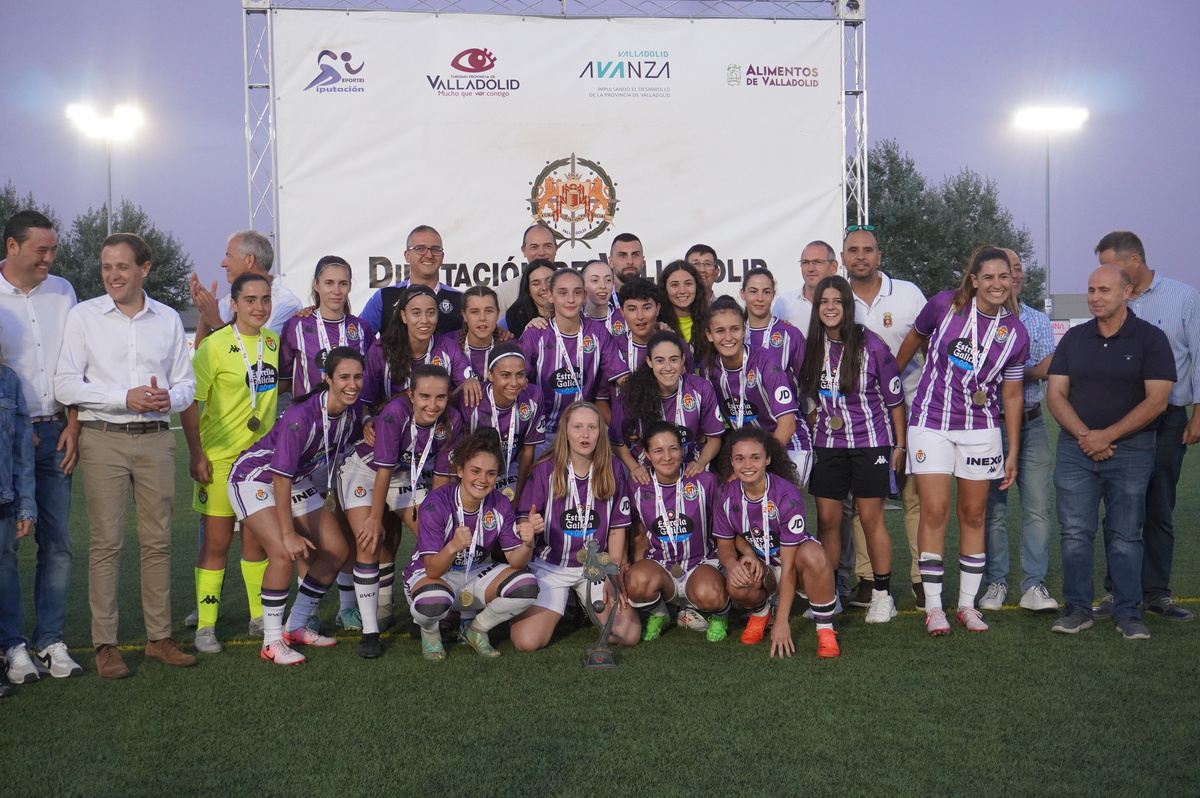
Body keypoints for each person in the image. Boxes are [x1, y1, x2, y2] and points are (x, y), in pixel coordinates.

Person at [55, 233, 197, 678]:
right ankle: (106, 646)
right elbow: (65, 385)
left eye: (121, 266)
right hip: (102, 438)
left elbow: (186, 386)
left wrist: (165, 400)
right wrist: (124, 397)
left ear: (144, 269)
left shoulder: (169, 318)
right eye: (106, 267)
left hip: (155, 438)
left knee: (158, 542)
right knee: (106, 544)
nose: (112, 275)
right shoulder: (83, 317)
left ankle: (159, 638)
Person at [896, 246, 1029, 635]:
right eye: (987, 277)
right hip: (930, 421)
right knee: (934, 510)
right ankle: (934, 607)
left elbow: (1013, 394)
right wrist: (885, 392)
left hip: (980, 427)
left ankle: (967, 606)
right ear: (974, 280)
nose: (996, 284)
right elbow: (907, 349)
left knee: (973, 515)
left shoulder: (1016, 333)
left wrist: (1014, 448)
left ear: (1012, 280)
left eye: (1003, 277)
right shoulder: (944, 305)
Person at [1047, 265, 1175, 639]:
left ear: (1127, 293)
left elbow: (1158, 400)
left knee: (1125, 535)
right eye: (1090, 290)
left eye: (1103, 290)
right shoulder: (1073, 338)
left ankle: (1127, 613)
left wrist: (1107, 436)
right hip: (1075, 449)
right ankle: (1077, 609)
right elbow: (1056, 394)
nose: (1095, 297)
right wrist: (1087, 435)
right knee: (1074, 532)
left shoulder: (1151, 339)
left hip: (1133, 450)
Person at [227, 346, 364, 665]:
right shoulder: (300, 416)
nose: (352, 384)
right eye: (344, 377)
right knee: (281, 552)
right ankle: (271, 642)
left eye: (358, 377)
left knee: (337, 550)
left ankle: (296, 625)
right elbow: (280, 477)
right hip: (255, 478)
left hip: (295, 479)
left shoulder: (350, 414)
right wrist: (288, 534)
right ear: (328, 379)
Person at [1093, 231, 1198, 622]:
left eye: (1112, 265)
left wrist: (1198, 413)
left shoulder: (1183, 297)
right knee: (1119, 509)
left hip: (1168, 419)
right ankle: (1116, 591)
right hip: (1120, 422)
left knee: (1158, 508)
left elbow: (1199, 357)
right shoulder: (1110, 299)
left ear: (1133, 261)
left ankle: (1156, 593)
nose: (1105, 276)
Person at [0, 210, 82, 682]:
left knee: (58, 544)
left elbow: (77, 361)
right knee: (6, 548)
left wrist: (74, 422)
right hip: (7, 440)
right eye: (40, 250)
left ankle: (50, 640)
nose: (49, 259)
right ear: (12, 247)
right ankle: (13, 646)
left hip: (57, 434)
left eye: (52, 250)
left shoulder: (63, 291)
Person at [180, 272, 279, 654]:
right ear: (234, 305)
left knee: (256, 540)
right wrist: (197, 453)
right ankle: (206, 626)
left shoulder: (273, 342)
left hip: (259, 464)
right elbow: (190, 400)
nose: (259, 307)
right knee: (217, 544)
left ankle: (258, 616)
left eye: (265, 299)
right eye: (250, 300)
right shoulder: (215, 346)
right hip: (220, 461)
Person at [798, 275, 906, 624]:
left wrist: (899, 446)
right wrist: (815, 416)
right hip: (828, 445)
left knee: (871, 519)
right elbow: (807, 393)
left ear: (848, 306)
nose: (830, 308)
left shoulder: (871, 346)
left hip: (870, 443)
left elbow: (896, 400)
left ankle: (882, 594)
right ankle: (829, 594)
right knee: (828, 521)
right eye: (823, 302)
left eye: (837, 301)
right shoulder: (812, 345)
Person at [338, 364, 461, 648]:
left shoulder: (452, 420)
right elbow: (383, 471)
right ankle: (370, 631)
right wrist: (374, 518)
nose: (433, 405)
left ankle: (425, 615)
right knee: (368, 542)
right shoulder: (396, 413)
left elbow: (442, 478)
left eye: (440, 397)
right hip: (366, 473)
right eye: (425, 397)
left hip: (407, 475)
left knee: (437, 537)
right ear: (411, 394)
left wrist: (435, 521)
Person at [841, 226, 928, 608]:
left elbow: (935, 343)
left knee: (916, 499)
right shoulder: (835, 297)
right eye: (853, 250)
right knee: (865, 502)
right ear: (843, 258)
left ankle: (924, 577)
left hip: (911, 411)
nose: (860, 256)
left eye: (868, 250)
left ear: (879, 256)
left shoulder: (908, 294)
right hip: (859, 420)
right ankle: (866, 577)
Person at [509, 402, 641, 651]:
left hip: (596, 565)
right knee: (526, 642)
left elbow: (617, 526)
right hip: (551, 567)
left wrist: (613, 570)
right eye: (578, 427)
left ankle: (582, 602)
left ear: (601, 432)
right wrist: (529, 524)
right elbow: (524, 518)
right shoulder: (545, 470)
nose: (585, 434)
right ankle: (555, 603)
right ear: (565, 431)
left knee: (627, 634)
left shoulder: (612, 468)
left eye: (592, 427)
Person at [403, 431, 539, 661]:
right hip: (430, 576)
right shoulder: (436, 504)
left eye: (491, 474)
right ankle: (430, 632)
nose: (482, 480)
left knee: (526, 585)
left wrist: (528, 542)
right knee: (434, 600)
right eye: (475, 471)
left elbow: (516, 561)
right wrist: (452, 546)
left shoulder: (500, 503)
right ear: (460, 471)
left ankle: (476, 629)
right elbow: (433, 570)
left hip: (469, 575)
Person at [712, 427, 839, 658]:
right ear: (731, 461)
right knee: (736, 580)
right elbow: (724, 546)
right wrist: (734, 564)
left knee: (814, 554)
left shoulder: (786, 495)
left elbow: (788, 566)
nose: (747, 465)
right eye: (740, 458)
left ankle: (826, 629)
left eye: (755, 457)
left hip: (795, 565)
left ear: (767, 459)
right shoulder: (725, 494)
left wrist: (783, 622)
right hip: (763, 566)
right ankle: (761, 613)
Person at [980, 248, 1058, 614]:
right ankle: (996, 582)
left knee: (1038, 507)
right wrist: (1014, 366)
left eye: (1014, 270)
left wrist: (1004, 369)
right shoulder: (973, 319)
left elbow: (1045, 368)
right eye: (999, 271)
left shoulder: (1037, 320)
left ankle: (1034, 585)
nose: (1008, 277)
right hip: (987, 425)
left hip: (1031, 422)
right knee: (992, 510)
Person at [625, 422, 731, 642]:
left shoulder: (704, 481)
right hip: (660, 565)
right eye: (658, 450)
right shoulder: (637, 486)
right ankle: (660, 614)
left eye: (673, 449)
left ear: (683, 449)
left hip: (699, 563)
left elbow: (723, 526)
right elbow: (637, 532)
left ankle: (720, 616)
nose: (667, 457)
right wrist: (637, 568)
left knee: (711, 595)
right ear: (646, 454)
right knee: (635, 581)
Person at [697, 296, 810, 483]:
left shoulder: (765, 361)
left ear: (744, 330)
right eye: (719, 331)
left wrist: (760, 462)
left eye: (734, 329)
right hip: (746, 453)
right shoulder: (708, 369)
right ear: (709, 335)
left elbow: (787, 424)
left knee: (777, 505)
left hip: (788, 445)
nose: (728, 337)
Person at [519, 268, 628, 435]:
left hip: (582, 431)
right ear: (550, 296)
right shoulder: (535, 334)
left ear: (584, 296)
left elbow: (623, 377)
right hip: (542, 433)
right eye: (562, 293)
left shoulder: (597, 333)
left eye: (577, 293)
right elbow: (516, 380)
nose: (570, 299)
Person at [610, 331, 724, 483]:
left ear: (683, 359)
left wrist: (700, 463)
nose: (668, 367)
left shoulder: (701, 388)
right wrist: (634, 467)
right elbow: (615, 440)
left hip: (690, 469)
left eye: (674, 359)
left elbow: (714, 438)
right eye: (660, 361)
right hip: (647, 475)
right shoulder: (632, 392)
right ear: (649, 361)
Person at [361, 284, 479, 406]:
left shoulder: (449, 347)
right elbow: (364, 399)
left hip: (436, 419)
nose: (424, 320)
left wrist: (469, 382)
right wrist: (367, 419)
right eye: (416, 313)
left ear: (437, 315)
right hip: (394, 420)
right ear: (404, 316)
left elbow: (466, 384)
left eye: (430, 313)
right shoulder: (381, 349)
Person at [457, 343, 546, 502]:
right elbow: (459, 452)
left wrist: (518, 499)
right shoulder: (471, 399)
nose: (513, 383)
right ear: (490, 375)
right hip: (474, 469)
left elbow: (528, 452)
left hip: (510, 466)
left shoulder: (533, 396)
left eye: (519, 375)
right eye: (505, 375)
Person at [279, 255, 374, 397]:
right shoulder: (296, 326)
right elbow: (283, 381)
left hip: (350, 417)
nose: (336, 291)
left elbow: (370, 379)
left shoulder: (362, 328)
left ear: (349, 286)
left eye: (342, 283)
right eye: (329, 283)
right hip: (308, 417)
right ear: (316, 285)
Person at [189, 230, 303, 346]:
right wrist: (205, 313)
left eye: (229, 256)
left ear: (249, 260)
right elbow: (202, 354)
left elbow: (263, 351)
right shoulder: (227, 302)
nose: (223, 263)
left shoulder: (287, 304)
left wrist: (216, 323)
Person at [0, 340, 37, 688]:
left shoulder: (8, 379)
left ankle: (12, 645)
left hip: (3, 498)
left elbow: (21, 446)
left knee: (6, 572)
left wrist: (26, 503)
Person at [361, 225, 463, 337]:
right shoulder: (385, 296)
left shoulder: (460, 300)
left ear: (442, 256)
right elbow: (358, 338)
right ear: (407, 255)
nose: (429, 255)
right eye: (420, 249)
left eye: (435, 249)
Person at [741, 267, 806, 395]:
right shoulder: (733, 335)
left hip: (785, 413)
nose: (760, 298)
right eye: (753, 292)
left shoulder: (790, 334)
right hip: (745, 413)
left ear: (773, 294)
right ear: (743, 293)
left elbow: (806, 383)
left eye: (766, 292)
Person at [774, 240, 839, 332]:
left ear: (833, 266)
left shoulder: (847, 301)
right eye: (805, 262)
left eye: (818, 262)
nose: (811, 269)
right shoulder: (785, 303)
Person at [494, 224, 558, 316]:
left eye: (547, 246)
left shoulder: (571, 285)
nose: (541, 252)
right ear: (523, 250)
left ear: (556, 249)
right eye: (534, 247)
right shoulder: (505, 292)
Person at [449, 285, 506, 379]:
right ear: (464, 315)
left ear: (497, 313)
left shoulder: (509, 346)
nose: (482, 318)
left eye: (489, 311)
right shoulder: (449, 344)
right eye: (474, 312)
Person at [503, 259, 557, 338]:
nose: (544, 287)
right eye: (536, 284)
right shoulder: (515, 316)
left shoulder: (573, 311)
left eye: (549, 280)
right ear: (528, 291)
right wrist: (527, 334)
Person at [658, 260, 708, 344]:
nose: (682, 291)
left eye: (688, 284)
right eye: (674, 285)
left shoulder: (711, 320)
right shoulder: (657, 325)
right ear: (665, 289)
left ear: (697, 286)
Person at [582, 260, 627, 337]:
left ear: (613, 284)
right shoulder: (575, 319)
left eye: (608, 280)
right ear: (582, 284)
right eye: (595, 280)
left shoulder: (624, 317)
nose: (603, 286)